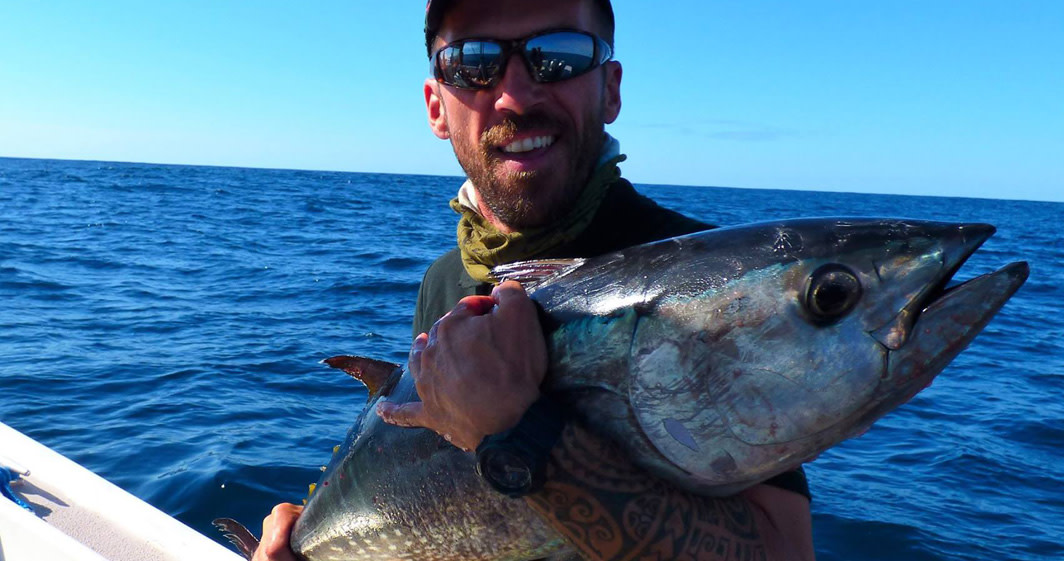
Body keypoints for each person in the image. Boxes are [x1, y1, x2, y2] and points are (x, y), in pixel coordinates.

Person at [254, 1, 816, 559]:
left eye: (560, 56)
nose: (516, 96)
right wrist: (304, 534)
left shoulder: (716, 287)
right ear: (436, 107)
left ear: (611, 89)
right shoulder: (445, 279)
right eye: (473, 63)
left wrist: (516, 431)